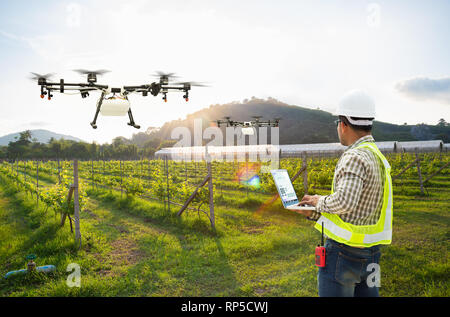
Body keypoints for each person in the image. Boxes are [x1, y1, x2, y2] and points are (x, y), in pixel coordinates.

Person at [298, 90, 393, 297]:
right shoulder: (377, 157)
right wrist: (314, 213)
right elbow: (358, 212)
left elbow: (345, 201)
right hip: (372, 254)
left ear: (343, 124)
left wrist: (318, 200)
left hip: (344, 255)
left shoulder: (355, 156)